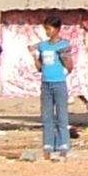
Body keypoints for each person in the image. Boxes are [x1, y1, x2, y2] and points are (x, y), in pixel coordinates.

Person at [35, 28, 74, 156]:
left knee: (61, 114)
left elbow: (69, 66)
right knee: (47, 115)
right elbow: (40, 67)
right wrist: (34, 57)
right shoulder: (43, 46)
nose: (47, 31)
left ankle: (63, 143)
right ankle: (48, 143)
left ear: (57, 29)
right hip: (46, 83)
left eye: (49, 29)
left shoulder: (64, 45)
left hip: (59, 82)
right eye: (46, 29)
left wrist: (64, 63)